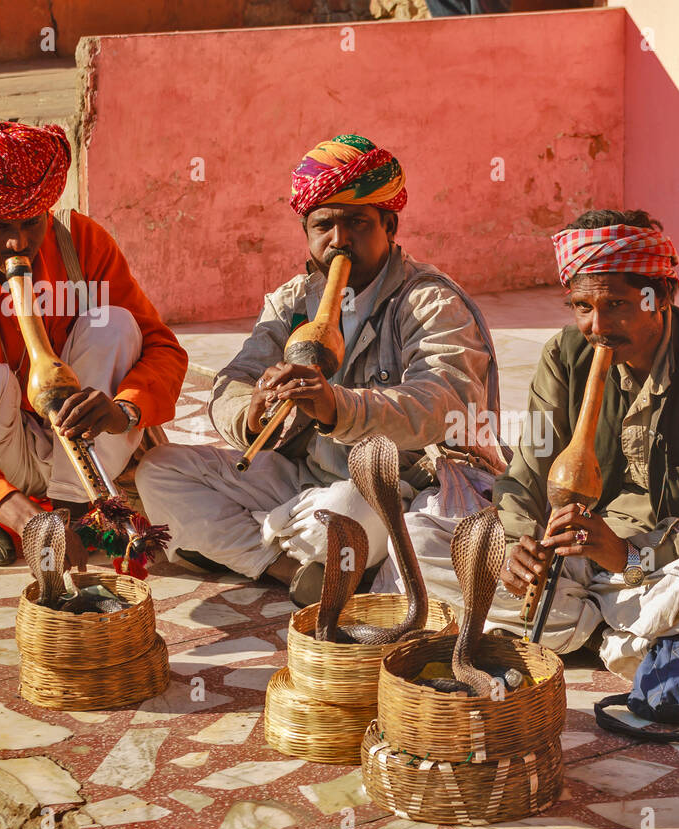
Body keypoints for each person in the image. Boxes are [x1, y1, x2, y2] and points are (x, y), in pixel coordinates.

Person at [135, 134, 504, 600]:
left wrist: (339, 408)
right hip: (303, 478)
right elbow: (231, 382)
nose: (339, 239)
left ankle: (251, 544)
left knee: (349, 511)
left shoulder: (430, 301)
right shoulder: (292, 300)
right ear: (307, 233)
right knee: (160, 471)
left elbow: (447, 403)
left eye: (357, 222)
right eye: (323, 225)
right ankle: (290, 568)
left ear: (389, 225)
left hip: (397, 486)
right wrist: (252, 411)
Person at [463, 209, 679, 678]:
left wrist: (632, 556)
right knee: (429, 538)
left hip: (660, 567)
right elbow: (525, 476)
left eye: (616, 305)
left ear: (663, 296)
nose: (597, 326)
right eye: (582, 307)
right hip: (581, 564)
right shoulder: (564, 354)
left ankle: (586, 628)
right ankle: (630, 638)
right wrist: (517, 544)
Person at [0, 120, 188, 568]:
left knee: (115, 324)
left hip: (80, 441)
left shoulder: (82, 244)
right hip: (1, 449)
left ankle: (78, 507)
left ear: (48, 211)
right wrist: (16, 511)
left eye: (30, 223)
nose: (17, 243)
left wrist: (126, 409)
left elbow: (163, 348)